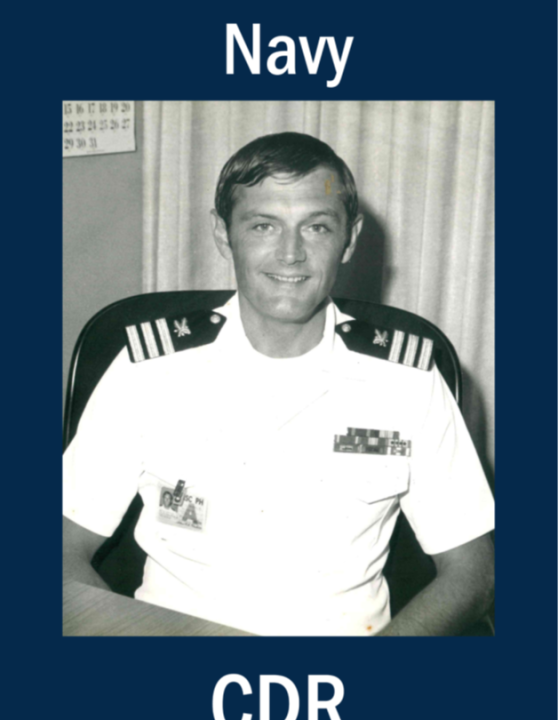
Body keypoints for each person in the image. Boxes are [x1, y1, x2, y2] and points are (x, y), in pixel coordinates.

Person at [63, 131, 495, 636]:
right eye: (264, 225)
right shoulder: (147, 370)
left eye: (317, 227)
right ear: (223, 234)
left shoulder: (408, 381)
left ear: (350, 238)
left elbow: (473, 570)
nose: (291, 254)